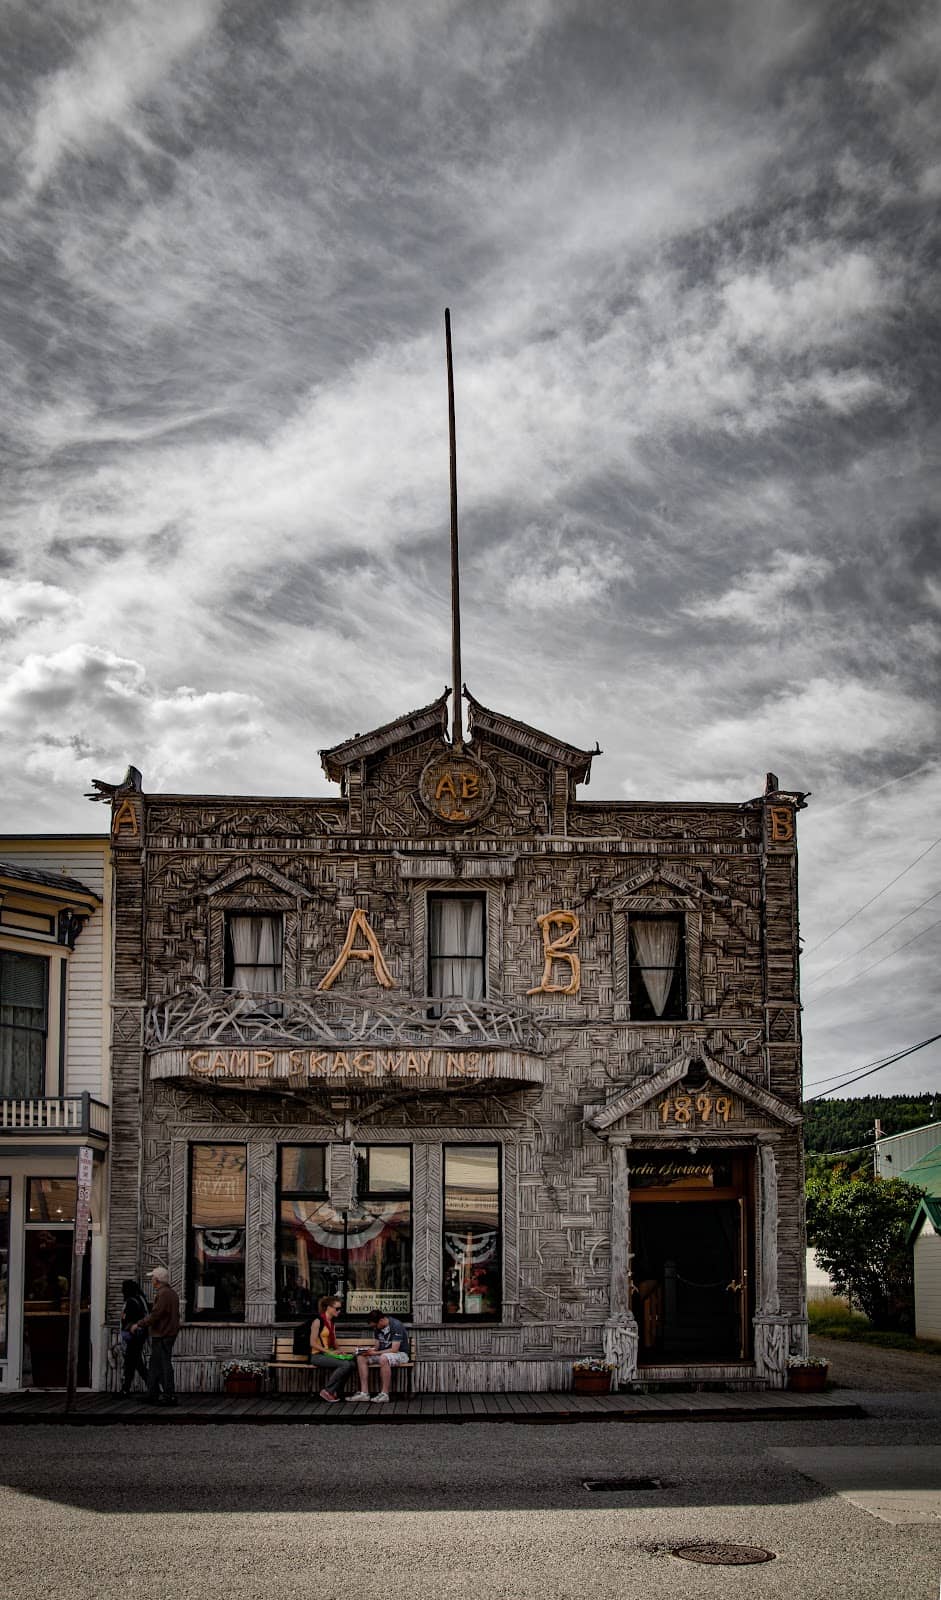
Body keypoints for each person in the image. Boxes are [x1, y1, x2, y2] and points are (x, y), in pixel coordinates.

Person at [132, 1266, 181, 1406]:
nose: (151, 1279)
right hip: (166, 1333)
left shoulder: (164, 1294)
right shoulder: (171, 1293)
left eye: (153, 1277)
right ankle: (152, 1393)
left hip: (163, 1334)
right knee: (155, 1364)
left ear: (158, 1280)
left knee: (163, 1365)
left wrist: (139, 1324)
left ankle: (168, 1395)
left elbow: (156, 1315)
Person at [348, 1309, 411, 1404]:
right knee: (361, 1357)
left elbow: (394, 1349)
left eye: (375, 1325)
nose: (375, 1328)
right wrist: (367, 1351)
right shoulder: (377, 1328)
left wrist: (375, 1353)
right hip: (383, 1354)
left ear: (381, 1320)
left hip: (401, 1354)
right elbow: (377, 1347)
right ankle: (364, 1393)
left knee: (383, 1358)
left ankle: (384, 1394)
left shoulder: (396, 1325)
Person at [308, 1295, 355, 1403]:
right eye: (337, 1308)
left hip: (327, 1354)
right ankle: (327, 1391)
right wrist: (329, 1351)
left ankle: (336, 1391)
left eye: (340, 1309)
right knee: (345, 1364)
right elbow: (312, 1343)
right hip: (317, 1355)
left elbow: (334, 1342)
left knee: (352, 1363)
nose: (339, 1311)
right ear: (328, 1308)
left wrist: (340, 1350)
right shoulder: (318, 1321)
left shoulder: (332, 1323)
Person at [120, 1278, 150, 1395]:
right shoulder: (141, 1299)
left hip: (133, 1337)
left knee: (135, 1363)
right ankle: (125, 1388)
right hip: (139, 1337)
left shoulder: (131, 1302)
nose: (121, 1291)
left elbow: (129, 1320)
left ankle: (153, 1387)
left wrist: (126, 1324)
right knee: (132, 1363)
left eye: (123, 1289)